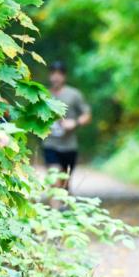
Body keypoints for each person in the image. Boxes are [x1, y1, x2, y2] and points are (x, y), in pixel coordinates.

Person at [42, 61, 91, 192]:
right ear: (49, 75)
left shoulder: (74, 94)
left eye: (59, 74)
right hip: (50, 144)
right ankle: (55, 205)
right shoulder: (44, 95)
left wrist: (75, 123)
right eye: (53, 73)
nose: (56, 77)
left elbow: (87, 115)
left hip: (69, 146)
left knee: (64, 185)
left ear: (64, 76)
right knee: (54, 181)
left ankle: (63, 202)